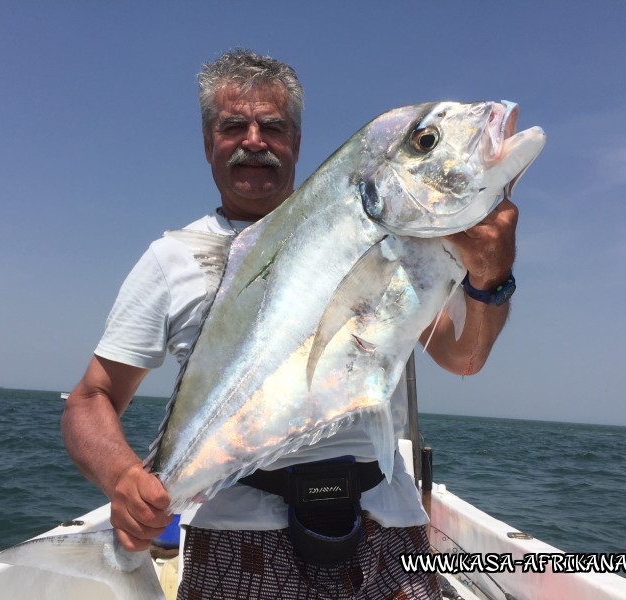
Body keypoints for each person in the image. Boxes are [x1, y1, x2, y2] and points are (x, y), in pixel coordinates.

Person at [62, 48, 517, 599]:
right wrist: (124, 480)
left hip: (390, 535)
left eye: (273, 127)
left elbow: (463, 358)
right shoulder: (173, 259)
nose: (254, 140)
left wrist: (491, 278)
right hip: (239, 545)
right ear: (210, 143)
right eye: (234, 126)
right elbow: (92, 398)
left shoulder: (387, 237)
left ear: (296, 144)